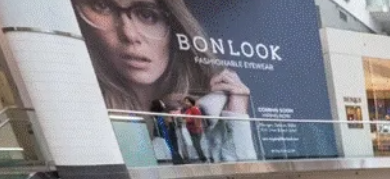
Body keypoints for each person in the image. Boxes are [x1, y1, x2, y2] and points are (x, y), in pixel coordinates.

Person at [75, 0, 256, 161]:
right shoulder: (84, 113)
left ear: (175, 27)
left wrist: (236, 115)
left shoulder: (200, 112)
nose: (129, 35)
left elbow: (243, 174)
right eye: (103, 6)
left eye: (147, 14)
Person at [181, 96, 207, 163]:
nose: (186, 103)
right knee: (196, 145)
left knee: (196, 145)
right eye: (185, 102)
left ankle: (203, 159)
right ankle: (203, 159)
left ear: (191, 102)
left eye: (187, 101)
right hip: (191, 130)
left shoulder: (194, 109)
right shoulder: (188, 110)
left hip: (196, 130)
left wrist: (188, 121)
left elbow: (197, 119)